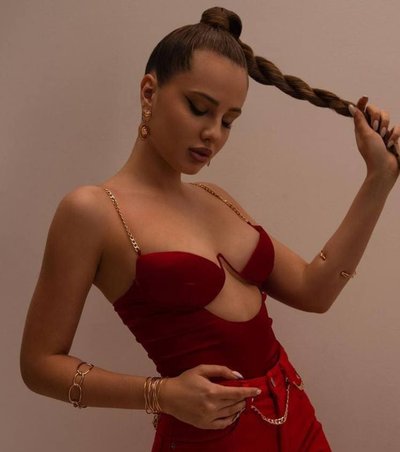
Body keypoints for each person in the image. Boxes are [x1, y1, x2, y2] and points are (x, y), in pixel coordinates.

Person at [20, 6, 399, 452]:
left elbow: (315, 291)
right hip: (209, 442)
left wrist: (379, 179)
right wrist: (160, 394)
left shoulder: (216, 198)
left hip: (299, 425)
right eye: (199, 108)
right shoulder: (92, 211)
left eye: (229, 120)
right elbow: (39, 364)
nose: (213, 133)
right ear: (149, 92)